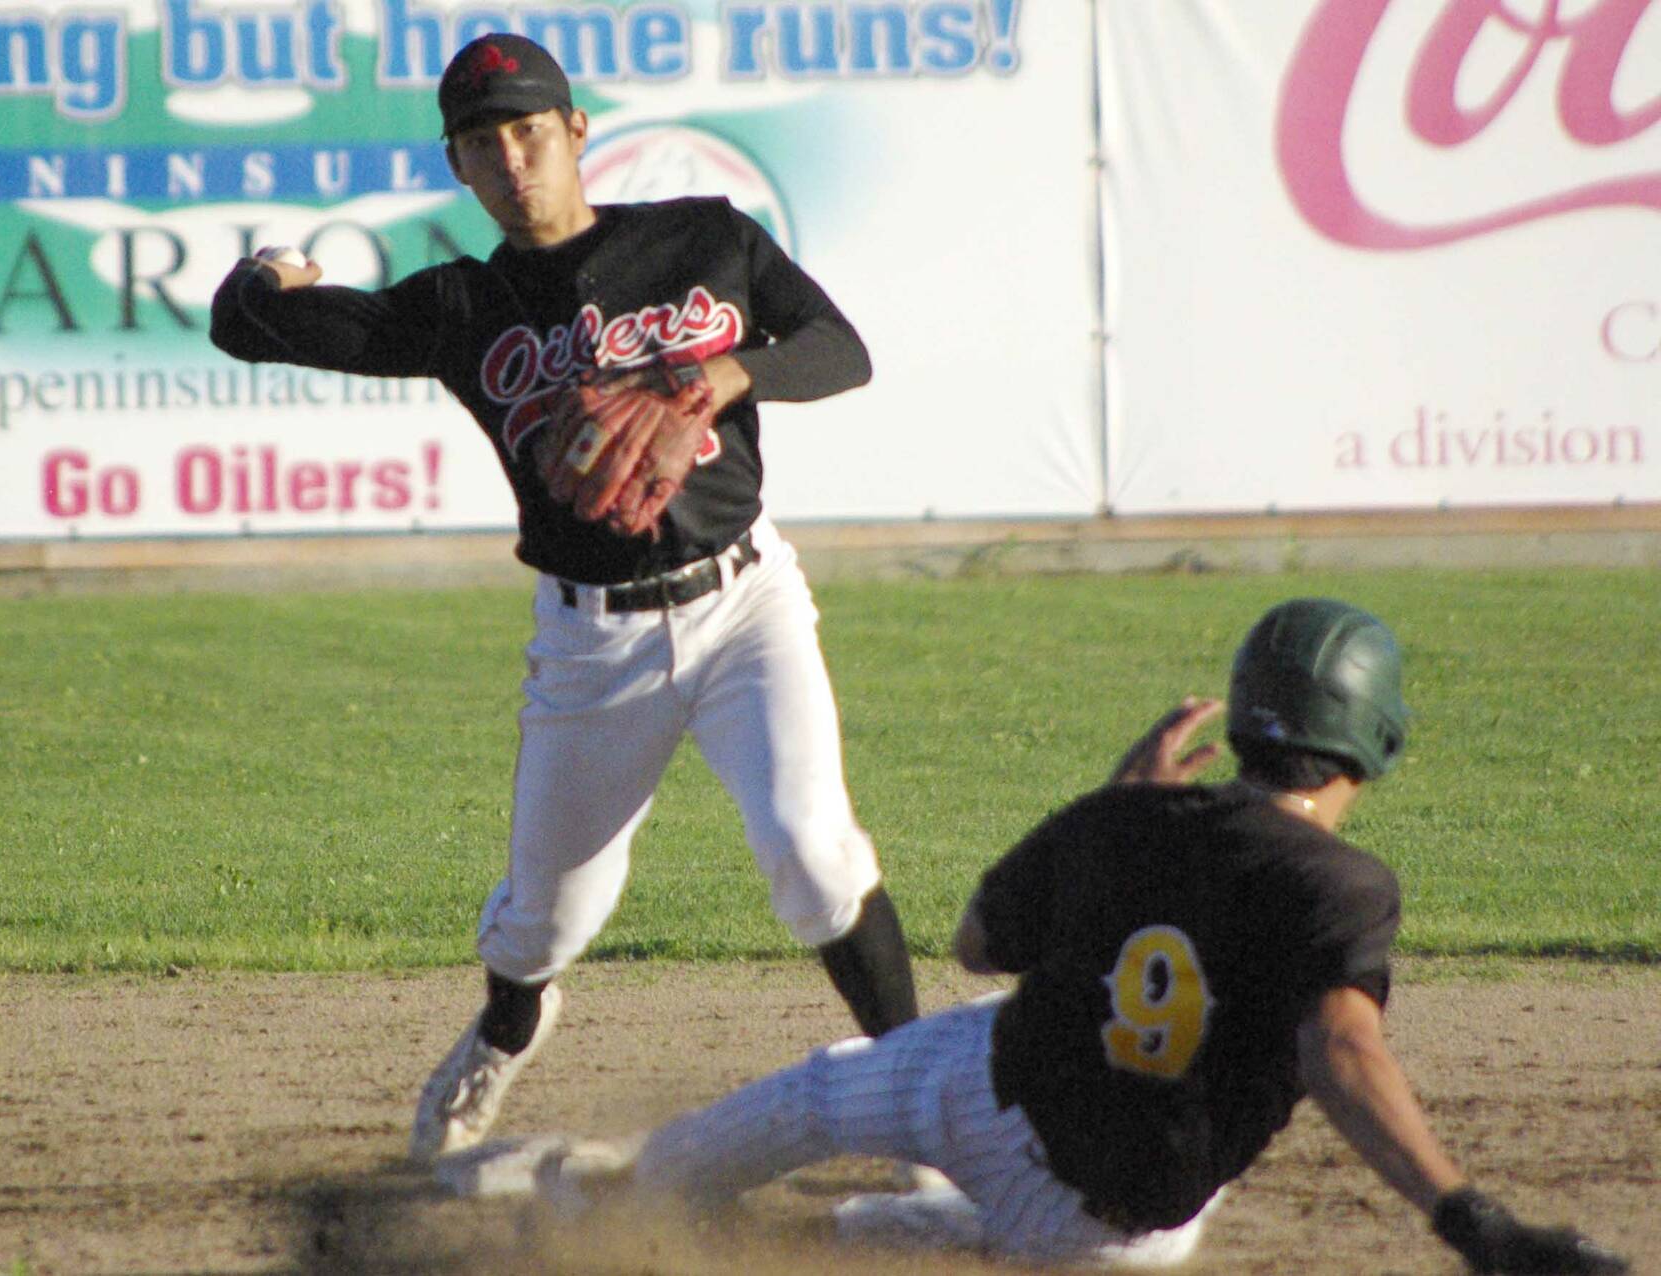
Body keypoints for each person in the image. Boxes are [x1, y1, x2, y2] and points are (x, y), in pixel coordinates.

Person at [208, 32, 920, 1164]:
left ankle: (917, 1094)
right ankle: (510, 1024)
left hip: (747, 606)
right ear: (457, 167)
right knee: (544, 923)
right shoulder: (460, 305)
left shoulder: (705, 239)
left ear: (577, 131)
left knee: (813, 854)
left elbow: (841, 348)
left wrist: (724, 373)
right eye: (481, 145)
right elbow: (247, 328)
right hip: (592, 647)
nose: (511, 161)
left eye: (529, 131)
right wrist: (265, 279)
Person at [539, 599, 1627, 1274]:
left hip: (978, 1096)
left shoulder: (1124, 819)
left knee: (828, 1092)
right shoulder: (1344, 887)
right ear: (1376, 740)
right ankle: (828, 1246)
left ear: (1243, 717)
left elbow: (974, 944)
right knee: (1063, 1227)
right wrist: (1463, 1216)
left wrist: (1109, 808)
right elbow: (1337, 1046)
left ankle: (632, 1203)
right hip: (1124, 1234)